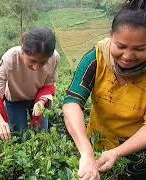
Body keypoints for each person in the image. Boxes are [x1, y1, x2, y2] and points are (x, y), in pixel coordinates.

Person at [63, 0, 146, 179]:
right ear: (111, 36)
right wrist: (86, 152)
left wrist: (117, 152)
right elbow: (72, 103)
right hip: (98, 146)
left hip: (138, 154)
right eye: (121, 46)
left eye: (140, 49)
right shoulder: (96, 58)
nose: (128, 56)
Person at [0, 28, 60, 140]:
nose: (36, 67)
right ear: (23, 50)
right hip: (15, 100)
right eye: (32, 61)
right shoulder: (10, 58)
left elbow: (48, 85)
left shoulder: (54, 57)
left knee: (42, 134)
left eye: (43, 62)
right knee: (19, 135)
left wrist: (41, 101)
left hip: (38, 98)